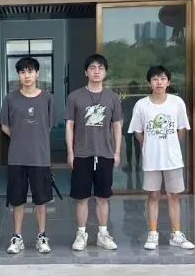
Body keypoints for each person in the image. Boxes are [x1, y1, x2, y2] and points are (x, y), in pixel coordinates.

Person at [128, 65, 195, 251]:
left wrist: (169, 144)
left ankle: (176, 234)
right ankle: (152, 233)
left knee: (174, 196)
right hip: (152, 159)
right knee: (153, 195)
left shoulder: (177, 102)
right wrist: (150, 145)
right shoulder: (141, 105)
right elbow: (138, 132)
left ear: (168, 82)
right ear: (149, 82)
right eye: (155, 79)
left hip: (173, 158)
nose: (159, 82)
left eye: (163, 79)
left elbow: (181, 129)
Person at [66, 54, 123, 251]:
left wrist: (117, 151)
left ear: (105, 72)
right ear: (86, 72)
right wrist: (70, 152)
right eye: (92, 67)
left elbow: (117, 125)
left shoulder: (112, 97)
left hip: (105, 153)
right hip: (82, 154)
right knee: (81, 198)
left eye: (100, 68)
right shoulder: (75, 97)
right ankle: (81, 233)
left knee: (103, 197)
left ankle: (103, 234)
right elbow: (69, 125)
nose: (96, 71)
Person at [0, 57, 56, 255]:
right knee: (17, 199)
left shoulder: (47, 98)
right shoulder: (10, 98)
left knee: (41, 199)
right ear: (18, 75)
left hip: (40, 157)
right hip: (17, 157)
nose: (27, 75)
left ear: (37, 73)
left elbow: (48, 125)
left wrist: (34, 138)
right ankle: (17, 237)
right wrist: (19, 137)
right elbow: (4, 125)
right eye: (23, 72)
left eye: (30, 71)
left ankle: (42, 236)